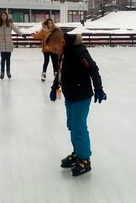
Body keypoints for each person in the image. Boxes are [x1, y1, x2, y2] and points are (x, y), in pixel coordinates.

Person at [45, 28, 107, 177]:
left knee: (79, 127)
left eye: (54, 48)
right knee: (72, 126)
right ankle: (77, 152)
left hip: (82, 95)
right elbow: (60, 72)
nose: (54, 51)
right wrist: (55, 87)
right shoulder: (63, 52)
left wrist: (98, 88)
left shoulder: (79, 51)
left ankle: (85, 159)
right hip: (70, 95)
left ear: (62, 42)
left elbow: (93, 68)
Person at [0, 11, 26, 79]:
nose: (3, 17)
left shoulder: (10, 23)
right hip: (1, 43)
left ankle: (8, 71)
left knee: (8, 59)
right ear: (1, 16)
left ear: (7, 16)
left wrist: (22, 34)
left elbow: (16, 30)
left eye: (5, 15)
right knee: (3, 58)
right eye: (2, 15)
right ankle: (2, 72)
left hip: (9, 43)